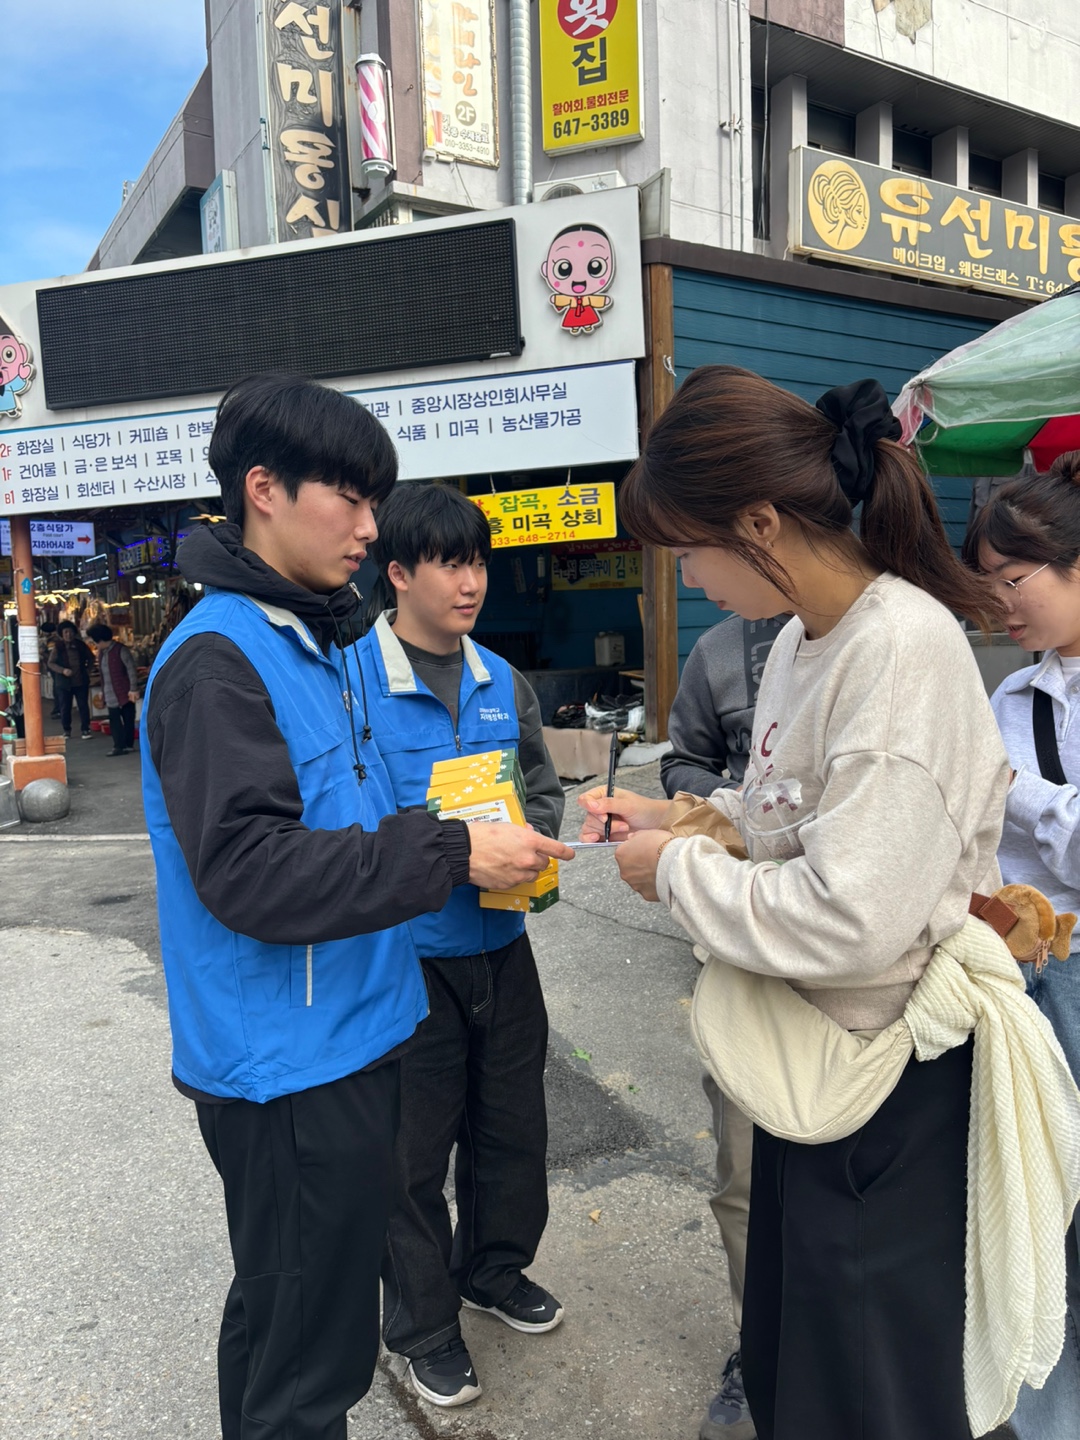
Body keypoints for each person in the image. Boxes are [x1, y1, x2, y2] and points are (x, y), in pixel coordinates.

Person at [578, 366, 1012, 1440]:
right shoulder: (806, 642)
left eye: (690, 551)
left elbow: (851, 914)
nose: (689, 578)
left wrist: (677, 872)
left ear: (761, 523)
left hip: (883, 1086)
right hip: (812, 1069)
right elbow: (795, 810)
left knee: (868, 1382)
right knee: (809, 1351)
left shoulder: (899, 650)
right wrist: (694, 819)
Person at [140, 373, 572, 1440]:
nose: (371, 527)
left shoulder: (311, 642)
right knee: (309, 1365)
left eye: (377, 501)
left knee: (286, 1317)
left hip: (352, 1032)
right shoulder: (219, 661)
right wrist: (452, 849)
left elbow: (354, 821)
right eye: (351, 496)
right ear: (265, 490)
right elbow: (251, 871)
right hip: (288, 1065)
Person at [356, 482, 566, 1409]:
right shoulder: (354, 683)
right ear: (398, 573)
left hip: (502, 947)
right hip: (407, 960)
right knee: (411, 1155)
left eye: (477, 562)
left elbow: (541, 787)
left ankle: (493, 1269)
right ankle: (424, 1327)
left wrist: (535, 839)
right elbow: (344, 823)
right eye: (448, 564)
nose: (470, 582)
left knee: (513, 1127)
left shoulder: (501, 681)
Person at [964, 456, 1080, 1440]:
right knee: (1038, 1205)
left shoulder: (1014, 731)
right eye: (988, 582)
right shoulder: (1012, 701)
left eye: (1015, 578)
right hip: (1031, 979)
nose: (1000, 601)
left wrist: (1024, 793)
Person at [661, 613, 786, 1440]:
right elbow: (682, 757)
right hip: (742, 953)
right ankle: (761, 1351)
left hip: (860, 976)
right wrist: (714, 816)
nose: (695, 575)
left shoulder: (890, 638)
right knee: (743, 1172)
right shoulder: (717, 651)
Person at [87, 622, 139, 756]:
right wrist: (103, 690)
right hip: (110, 693)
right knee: (114, 720)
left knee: (128, 718)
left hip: (125, 691)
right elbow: (104, 674)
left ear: (100, 639)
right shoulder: (102, 653)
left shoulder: (121, 650)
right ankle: (118, 746)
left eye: (95, 641)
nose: (95, 644)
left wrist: (133, 688)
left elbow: (131, 670)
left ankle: (128, 745)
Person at [48, 619, 94, 739]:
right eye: (66, 632)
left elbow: (91, 658)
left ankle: (85, 729)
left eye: (70, 632)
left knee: (83, 706)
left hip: (81, 681)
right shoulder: (58, 647)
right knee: (65, 707)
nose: (68, 635)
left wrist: (87, 670)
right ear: (62, 634)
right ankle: (66, 730)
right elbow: (51, 663)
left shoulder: (81, 645)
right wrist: (62, 670)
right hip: (64, 683)